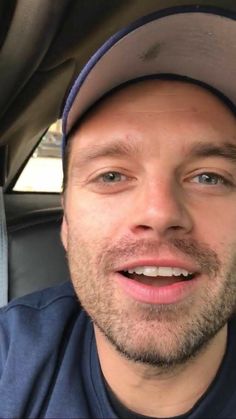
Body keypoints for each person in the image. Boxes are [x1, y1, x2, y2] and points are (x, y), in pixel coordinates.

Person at [1, 5, 236, 418]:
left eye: (209, 178)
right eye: (111, 176)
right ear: (66, 224)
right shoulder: (8, 362)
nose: (160, 212)